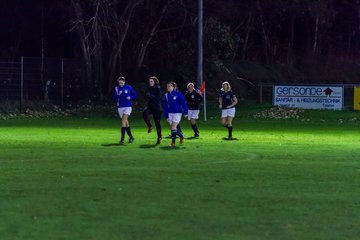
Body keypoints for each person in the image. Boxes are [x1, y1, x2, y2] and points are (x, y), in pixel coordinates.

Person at [163, 81, 188, 147]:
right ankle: (181, 136)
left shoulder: (178, 94)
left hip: (177, 113)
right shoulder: (166, 95)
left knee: (173, 127)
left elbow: (183, 103)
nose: (167, 87)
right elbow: (165, 106)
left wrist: (186, 112)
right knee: (173, 129)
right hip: (170, 114)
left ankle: (173, 143)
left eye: (169, 86)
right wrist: (166, 116)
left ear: (173, 87)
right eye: (167, 86)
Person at [113, 76, 137, 144]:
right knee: (126, 123)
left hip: (127, 107)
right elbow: (115, 98)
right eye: (119, 82)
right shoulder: (116, 88)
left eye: (122, 82)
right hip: (120, 107)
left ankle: (122, 139)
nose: (120, 83)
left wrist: (131, 97)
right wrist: (118, 95)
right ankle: (131, 137)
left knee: (123, 121)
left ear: (124, 81)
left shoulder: (128, 87)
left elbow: (135, 94)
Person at [143, 76, 163, 144]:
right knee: (144, 113)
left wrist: (150, 95)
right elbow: (146, 95)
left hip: (157, 108)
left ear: (155, 81)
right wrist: (146, 94)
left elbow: (158, 97)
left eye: (151, 81)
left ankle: (159, 137)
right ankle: (150, 126)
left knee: (157, 123)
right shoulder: (149, 88)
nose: (150, 82)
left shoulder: (158, 87)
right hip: (150, 107)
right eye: (149, 81)